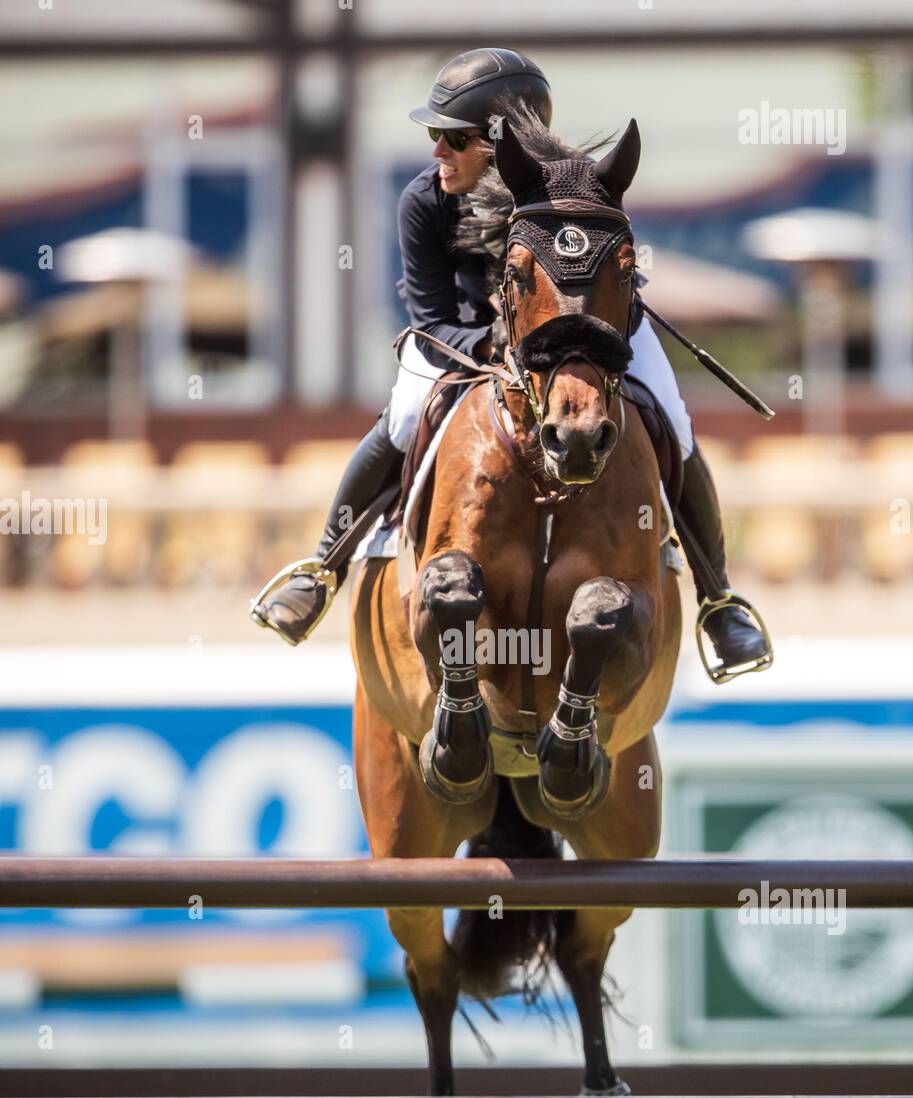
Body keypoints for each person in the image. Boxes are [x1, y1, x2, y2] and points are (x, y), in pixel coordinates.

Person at [251, 47, 770, 677]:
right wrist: (502, 351)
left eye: (453, 138)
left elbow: (609, 286)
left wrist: (589, 339)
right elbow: (431, 314)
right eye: (435, 136)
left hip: (587, 345)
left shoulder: (577, 190)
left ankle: (718, 600)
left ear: (498, 142)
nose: (437, 151)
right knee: (403, 416)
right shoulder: (424, 201)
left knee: (676, 423)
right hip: (460, 342)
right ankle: (323, 568)